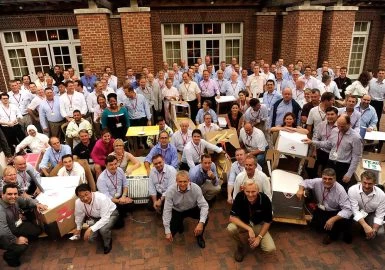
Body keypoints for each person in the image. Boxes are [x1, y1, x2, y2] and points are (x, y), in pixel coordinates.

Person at [303, 115, 363, 191]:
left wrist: (349, 174)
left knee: (339, 189)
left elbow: (356, 157)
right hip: (330, 162)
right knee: (325, 185)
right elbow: (328, 144)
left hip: (343, 165)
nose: (340, 129)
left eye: (343, 126)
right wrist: (312, 142)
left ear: (349, 124)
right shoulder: (335, 131)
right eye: (339, 126)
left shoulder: (356, 137)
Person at [296, 168, 353, 245]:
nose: (327, 181)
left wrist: (333, 219)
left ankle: (332, 236)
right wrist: (300, 190)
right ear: (321, 177)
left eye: (330, 179)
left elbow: (348, 210)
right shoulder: (317, 181)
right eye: (325, 178)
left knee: (337, 225)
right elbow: (304, 182)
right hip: (321, 208)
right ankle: (324, 225)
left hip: (334, 212)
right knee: (318, 227)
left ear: (335, 179)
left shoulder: (340, 190)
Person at [227, 180, 276, 262]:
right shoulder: (239, 196)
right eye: (247, 191)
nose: (250, 194)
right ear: (243, 190)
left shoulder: (265, 199)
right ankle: (240, 246)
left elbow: (268, 221)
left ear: (258, 190)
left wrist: (259, 238)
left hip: (257, 225)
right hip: (243, 223)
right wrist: (249, 229)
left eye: (253, 191)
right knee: (230, 228)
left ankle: (256, 241)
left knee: (270, 248)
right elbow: (232, 218)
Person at [0, 183, 47, 267]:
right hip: (3, 235)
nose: (13, 196)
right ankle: (9, 256)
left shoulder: (16, 200)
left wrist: (37, 204)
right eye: (9, 194)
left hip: (16, 225)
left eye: (15, 194)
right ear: (2, 194)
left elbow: (27, 200)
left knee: (37, 230)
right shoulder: (0, 209)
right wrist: (15, 240)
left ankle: (22, 238)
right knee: (21, 246)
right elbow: (3, 230)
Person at [162, 170, 209, 249]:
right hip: (177, 210)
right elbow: (167, 210)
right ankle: (179, 224)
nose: (183, 184)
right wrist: (167, 230)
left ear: (189, 180)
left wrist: (201, 223)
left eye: (185, 181)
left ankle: (199, 236)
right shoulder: (170, 191)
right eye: (180, 181)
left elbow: (204, 205)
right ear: (176, 181)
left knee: (206, 217)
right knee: (172, 232)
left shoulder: (196, 188)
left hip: (192, 208)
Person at [74, 183, 119, 254]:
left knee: (103, 230)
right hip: (95, 217)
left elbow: (105, 218)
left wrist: (90, 229)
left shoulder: (101, 198)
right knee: (90, 238)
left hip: (110, 214)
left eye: (86, 194)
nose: (85, 198)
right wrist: (78, 228)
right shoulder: (78, 202)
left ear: (91, 191)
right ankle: (100, 233)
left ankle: (107, 243)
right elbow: (79, 215)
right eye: (81, 197)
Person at [97, 155, 133, 227]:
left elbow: (125, 184)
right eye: (111, 165)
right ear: (106, 166)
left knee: (131, 204)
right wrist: (121, 201)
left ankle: (121, 212)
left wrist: (124, 197)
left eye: (115, 164)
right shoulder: (101, 179)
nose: (114, 167)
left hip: (120, 196)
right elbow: (107, 197)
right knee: (120, 224)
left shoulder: (120, 170)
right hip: (109, 202)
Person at [348, 171, 385, 240]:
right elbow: (354, 210)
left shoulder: (382, 195)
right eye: (364, 183)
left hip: (371, 214)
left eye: (370, 184)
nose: (367, 186)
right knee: (353, 225)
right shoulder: (352, 190)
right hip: (357, 212)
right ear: (361, 181)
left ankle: (367, 231)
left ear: (374, 183)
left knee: (380, 232)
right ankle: (361, 228)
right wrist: (365, 226)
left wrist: (374, 230)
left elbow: (380, 215)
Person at [311, 107, 339, 177]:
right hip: (321, 150)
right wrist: (314, 150)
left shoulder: (340, 126)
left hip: (333, 153)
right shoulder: (322, 124)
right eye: (328, 114)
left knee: (327, 173)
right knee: (310, 167)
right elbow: (316, 137)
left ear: (337, 115)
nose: (329, 116)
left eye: (332, 114)